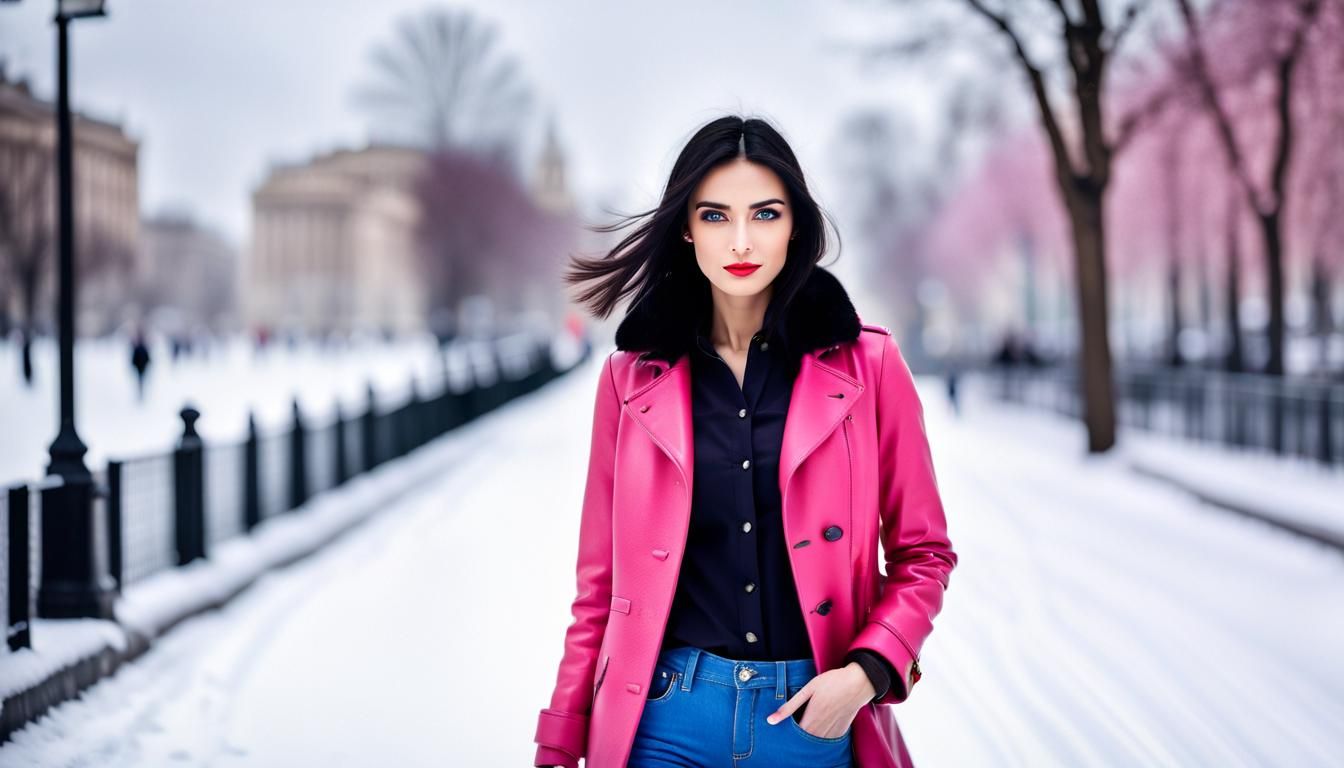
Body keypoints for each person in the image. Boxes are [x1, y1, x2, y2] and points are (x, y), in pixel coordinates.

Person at [534, 115, 958, 768]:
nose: (740, 241)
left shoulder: (870, 368)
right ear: (686, 228)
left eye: (764, 214)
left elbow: (924, 553)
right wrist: (560, 741)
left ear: (795, 226)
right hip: (665, 721)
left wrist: (865, 675)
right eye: (714, 216)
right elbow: (600, 588)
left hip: (812, 722)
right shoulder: (628, 381)